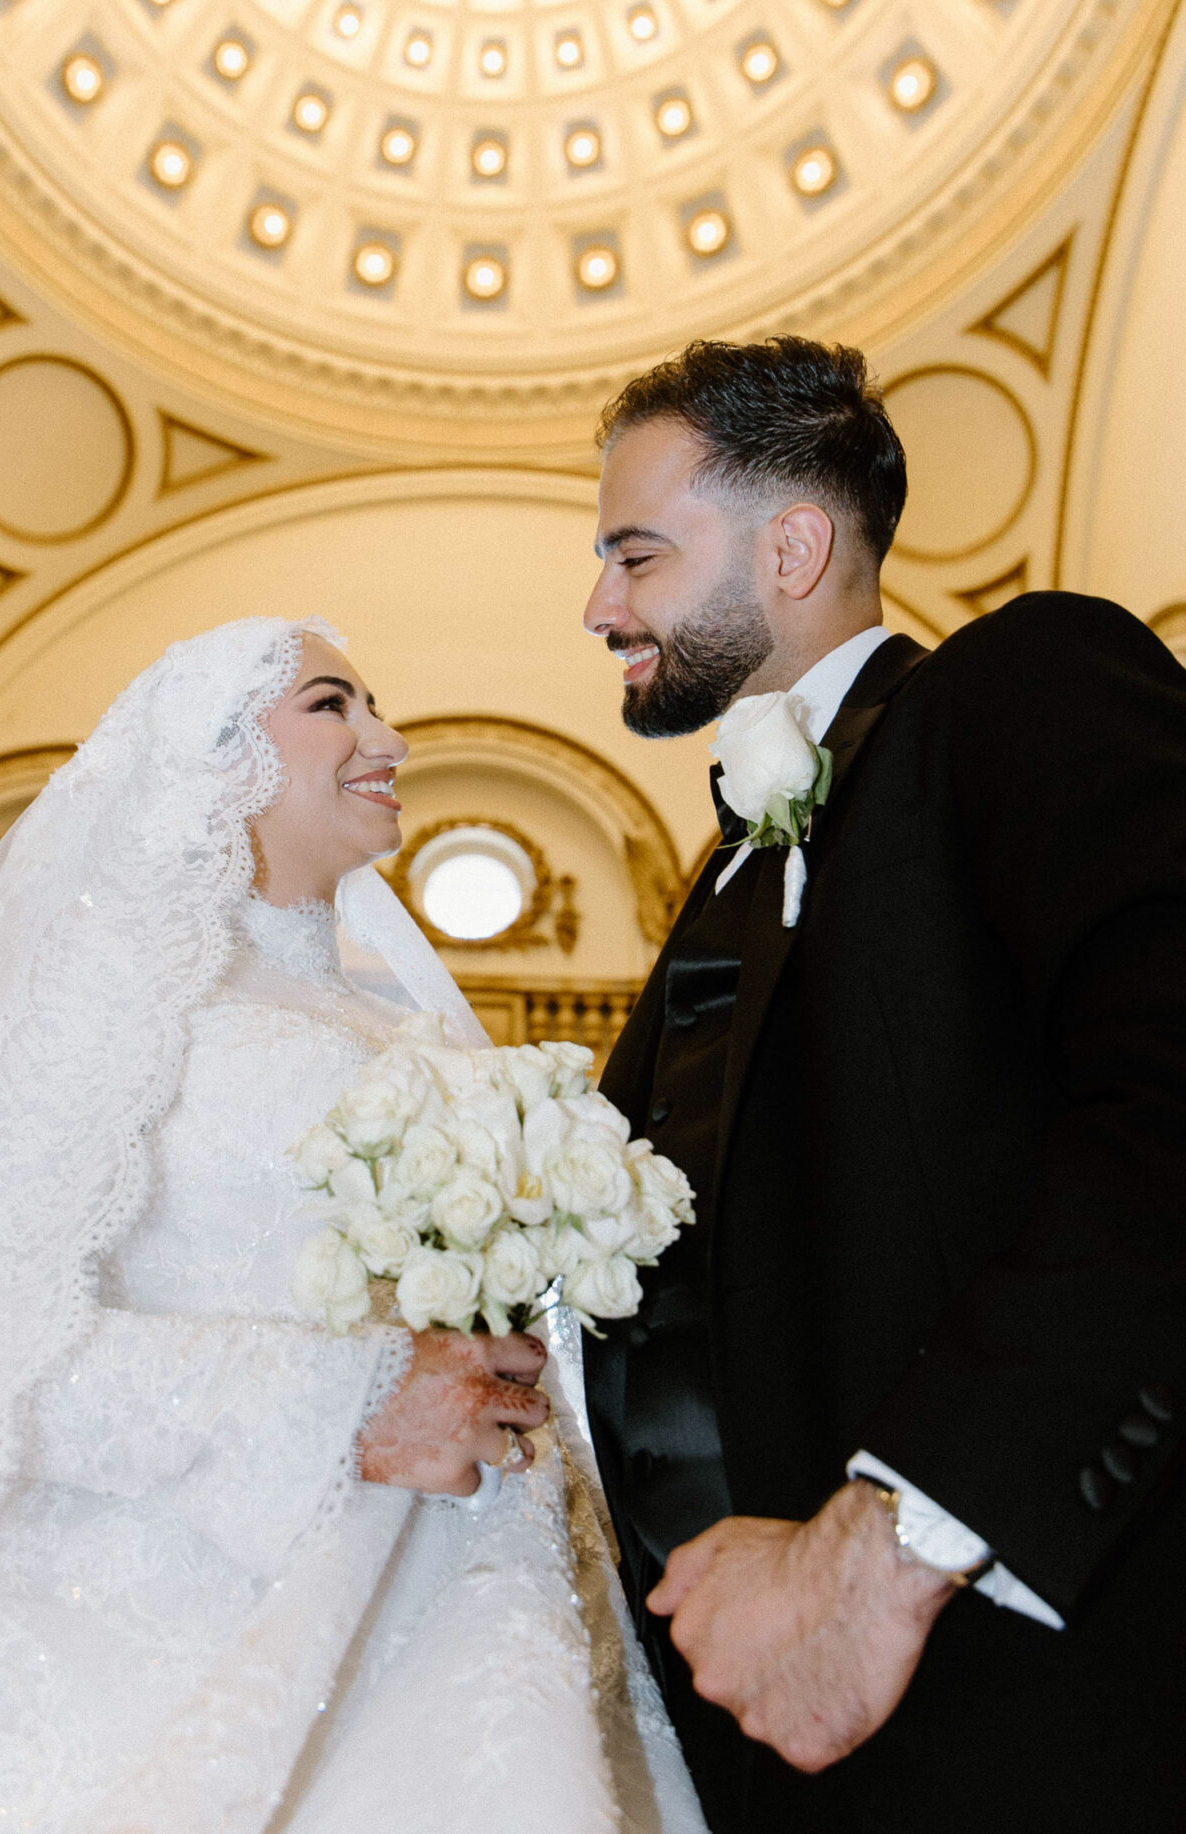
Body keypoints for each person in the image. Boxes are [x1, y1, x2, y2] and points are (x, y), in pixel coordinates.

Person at [0, 615, 702, 1834]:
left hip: (473, 1617)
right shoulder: (101, 991)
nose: (389, 738)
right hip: (158, 1630)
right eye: (333, 705)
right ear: (213, 751)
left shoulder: (412, 1039)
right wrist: (351, 1401)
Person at [579, 337, 1186, 1833]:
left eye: (635, 555)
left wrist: (889, 1543)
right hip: (746, 1748)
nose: (599, 609)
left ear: (793, 545)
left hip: (1031, 1717)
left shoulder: (1027, 683)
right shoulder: (722, 869)